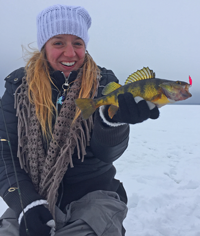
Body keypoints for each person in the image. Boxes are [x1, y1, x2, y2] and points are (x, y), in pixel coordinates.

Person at [0, 4, 159, 236]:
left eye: (78, 43)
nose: (70, 53)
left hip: (95, 195)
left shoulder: (104, 83)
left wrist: (111, 124)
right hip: (30, 196)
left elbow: (108, 154)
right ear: (44, 45)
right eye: (58, 42)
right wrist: (26, 203)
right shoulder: (17, 87)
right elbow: (4, 152)